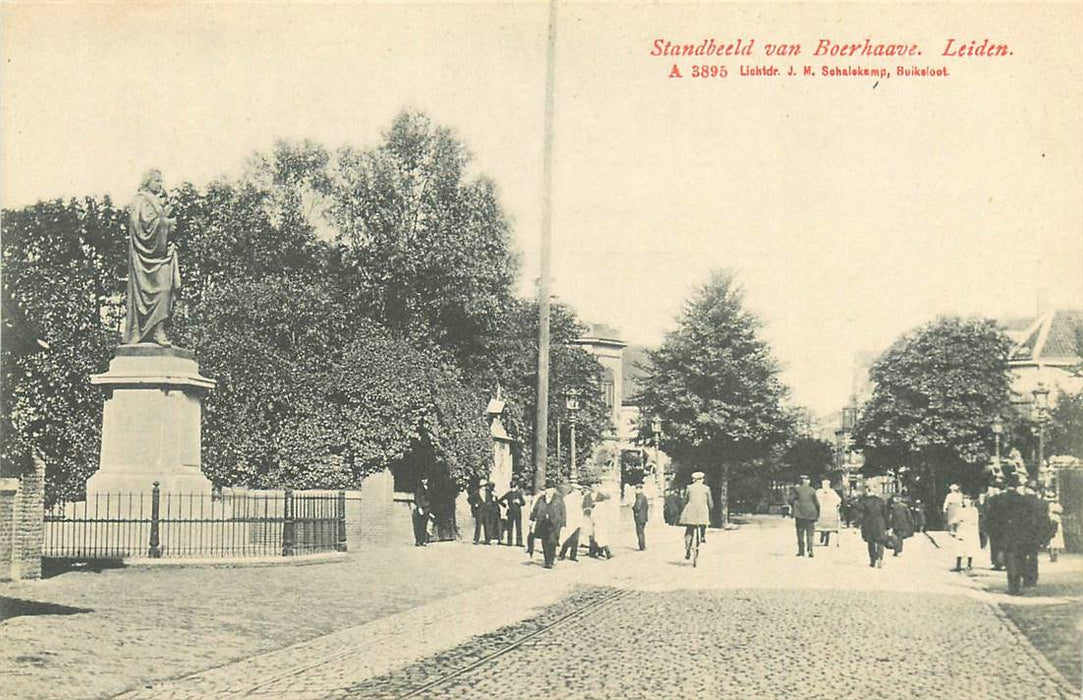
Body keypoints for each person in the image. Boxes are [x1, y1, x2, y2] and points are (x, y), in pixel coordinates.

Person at [127, 169, 182, 346]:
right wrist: (167, 224)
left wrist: (168, 227)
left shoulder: (157, 201)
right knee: (155, 290)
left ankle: (160, 331)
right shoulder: (141, 200)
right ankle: (144, 332)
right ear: (147, 181)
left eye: (161, 181)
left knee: (166, 288)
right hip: (144, 259)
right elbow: (142, 227)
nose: (160, 184)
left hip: (162, 255)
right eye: (157, 181)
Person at [529, 481, 566, 569]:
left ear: (553, 490)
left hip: (554, 524)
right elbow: (535, 509)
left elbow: (563, 511)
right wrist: (531, 519)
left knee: (552, 542)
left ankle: (550, 561)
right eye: (547, 489)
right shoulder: (541, 499)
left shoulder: (559, 499)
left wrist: (563, 523)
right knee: (544, 542)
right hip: (543, 523)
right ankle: (546, 560)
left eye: (550, 489)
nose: (548, 491)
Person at [679, 472, 713, 561]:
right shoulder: (706, 489)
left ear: (694, 480)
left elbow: (685, 500)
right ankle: (702, 537)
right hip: (702, 511)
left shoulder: (689, 488)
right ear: (702, 479)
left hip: (691, 511)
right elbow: (710, 502)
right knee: (703, 524)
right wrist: (710, 508)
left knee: (689, 530)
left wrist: (683, 509)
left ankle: (687, 548)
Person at [857, 486, 888, 568]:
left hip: (868, 523)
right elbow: (885, 514)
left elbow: (860, 513)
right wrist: (887, 526)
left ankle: (872, 560)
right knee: (880, 542)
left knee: (871, 542)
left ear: (868, 491)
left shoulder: (864, 501)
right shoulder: (881, 501)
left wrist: (858, 524)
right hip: (879, 523)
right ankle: (880, 558)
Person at [789, 475, 820, 558]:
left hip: (800, 514)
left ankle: (801, 551)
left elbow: (790, 500)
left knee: (800, 532)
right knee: (810, 533)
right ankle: (810, 550)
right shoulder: (812, 490)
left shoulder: (796, 489)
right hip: (811, 513)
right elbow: (817, 503)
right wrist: (817, 514)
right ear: (808, 481)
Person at [950, 496, 980, 571]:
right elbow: (955, 519)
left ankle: (969, 564)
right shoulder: (960, 510)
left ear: (971, 501)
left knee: (970, 548)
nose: (966, 501)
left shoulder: (974, 510)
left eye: (968, 500)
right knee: (960, 547)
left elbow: (975, 520)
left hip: (970, 530)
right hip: (962, 530)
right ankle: (958, 565)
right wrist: (953, 523)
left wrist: (963, 519)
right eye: (964, 500)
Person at [559, 482, 583, 561]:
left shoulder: (579, 499)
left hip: (577, 521)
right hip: (570, 521)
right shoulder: (567, 498)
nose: (580, 492)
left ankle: (573, 555)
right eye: (578, 490)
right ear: (574, 490)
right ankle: (562, 553)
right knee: (568, 538)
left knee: (575, 539)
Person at [499, 480, 527, 547]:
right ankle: (509, 542)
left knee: (518, 527)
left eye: (514, 487)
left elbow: (524, 503)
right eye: (512, 487)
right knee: (510, 527)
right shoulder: (508, 494)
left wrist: (519, 502)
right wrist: (504, 505)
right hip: (510, 512)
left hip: (517, 512)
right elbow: (500, 500)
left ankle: (519, 542)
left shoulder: (519, 494)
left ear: (516, 487)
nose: (513, 489)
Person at [815, 479, 841, 546]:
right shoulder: (832, 492)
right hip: (831, 515)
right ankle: (826, 536)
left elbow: (815, 501)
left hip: (821, 514)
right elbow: (838, 500)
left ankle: (823, 534)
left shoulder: (818, 492)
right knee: (830, 521)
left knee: (822, 521)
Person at [591, 489, 616, 559]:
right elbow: (594, 517)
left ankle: (594, 552)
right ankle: (608, 553)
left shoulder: (598, 506)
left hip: (600, 524)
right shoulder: (600, 506)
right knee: (602, 539)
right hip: (600, 525)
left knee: (599, 539)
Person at [412, 477, 433, 547]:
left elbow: (430, 498)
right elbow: (417, 498)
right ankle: (418, 541)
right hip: (422, 508)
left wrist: (430, 509)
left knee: (424, 525)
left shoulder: (429, 488)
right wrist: (419, 507)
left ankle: (423, 540)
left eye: (426, 479)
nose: (424, 481)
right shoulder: (419, 488)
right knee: (419, 525)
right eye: (423, 479)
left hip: (427, 508)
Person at [468, 478, 489, 544]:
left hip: (486, 511)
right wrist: (474, 504)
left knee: (487, 525)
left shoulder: (488, 493)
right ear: (481, 486)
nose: (485, 487)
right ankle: (476, 540)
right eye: (484, 486)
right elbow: (469, 499)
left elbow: (490, 500)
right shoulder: (476, 493)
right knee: (478, 525)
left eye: (485, 486)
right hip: (479, 511)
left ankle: (487, 540)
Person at [632, 483, 650, 551]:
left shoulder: (639, 496)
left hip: (639, 517)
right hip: (644, 517)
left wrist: (633, 507)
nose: (635, 490)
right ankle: (643, 546)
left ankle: (642, 546)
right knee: (642, 532)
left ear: (639, 489)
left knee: (639, 532)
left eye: (637, 489)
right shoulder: (644, 496)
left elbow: (638, 507)